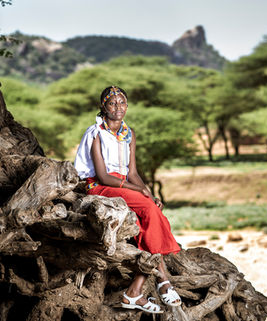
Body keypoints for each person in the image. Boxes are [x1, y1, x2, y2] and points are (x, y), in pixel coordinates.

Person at [74, 86, 181, 314]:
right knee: (152, 213)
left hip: (126, 186)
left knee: (152, 214)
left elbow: (132, 173)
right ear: (103, 106)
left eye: (122, 103)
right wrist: (139, 192)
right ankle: (162, 280)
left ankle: (135, 290)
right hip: (101, 187)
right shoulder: (95, 133)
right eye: (112, 103)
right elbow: (103, 176)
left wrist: (149, 195)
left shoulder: (128, 134)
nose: (118, 107)